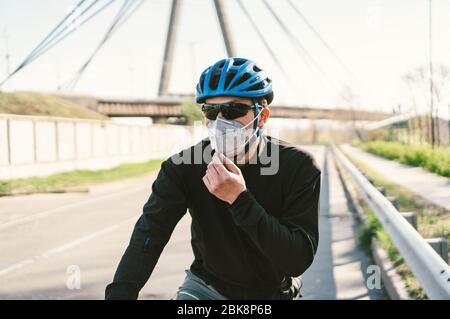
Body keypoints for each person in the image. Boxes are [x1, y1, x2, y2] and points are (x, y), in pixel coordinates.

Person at [105, 57, 321, 300]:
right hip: (205, 290)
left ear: (262, 117)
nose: (221, 121)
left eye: (234, 110)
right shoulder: (183, 167)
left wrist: (239, 199)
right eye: (211, 111)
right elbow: (150, 234)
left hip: (272, 293)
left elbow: (297, 260)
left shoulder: (298, 166)